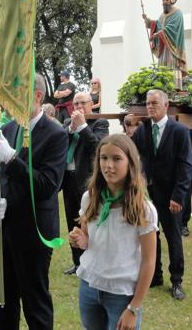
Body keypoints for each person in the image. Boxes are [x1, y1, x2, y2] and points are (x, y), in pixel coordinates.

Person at [0, 74, 68, 329]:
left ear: (37, 96)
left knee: (35, 303)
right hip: (4, 228)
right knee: (4, 300)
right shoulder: (8, 129)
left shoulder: (56, 134)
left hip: (34, 232)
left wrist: (12, 159)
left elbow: (47, 186)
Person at [69, 134, 157, 330]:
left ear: (130, 163)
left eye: (117, 159)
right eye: (104, 158)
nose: (109, 165)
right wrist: (80, 239)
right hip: (90, 286)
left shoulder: (143, 209)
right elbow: (87, 240)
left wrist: (134, 308)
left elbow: (149, 261)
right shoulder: (89, 198)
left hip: (122, 293)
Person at [131, 89, 192, 300]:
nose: (150, 107)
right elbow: (137, 160)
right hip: (148, 195)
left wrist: (179, 196)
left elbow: (186, 166)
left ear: (166, 105)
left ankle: (176, 280)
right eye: (148, 103)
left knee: (173, 237)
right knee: (150, 236)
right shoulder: (143, 131)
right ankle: (155, 276)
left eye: (154, 103)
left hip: (171, 196)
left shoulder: (179, 131)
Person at [62, 92, 109, 275]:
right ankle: (77, 262)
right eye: (75, 103)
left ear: (92, 104)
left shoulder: (100, 123)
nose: (79, 107)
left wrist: (82, 126)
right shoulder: (67, 124)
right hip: (68, 179)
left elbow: (98, 147)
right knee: (71, 220)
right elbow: (58, 145)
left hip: (87, 180)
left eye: (83, 103)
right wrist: (71, 130)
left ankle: (92, 261)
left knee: (89, 222)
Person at [142, 0, 186, 78]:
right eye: (163, 0)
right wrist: (148, 22)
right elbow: (158, 25)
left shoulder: (178, 13)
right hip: (163, 48)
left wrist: (158, 34)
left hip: (172, 50)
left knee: (171, 70)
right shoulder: (163, 15)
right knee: (162, 71)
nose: (164, 2)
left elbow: (171, 28)